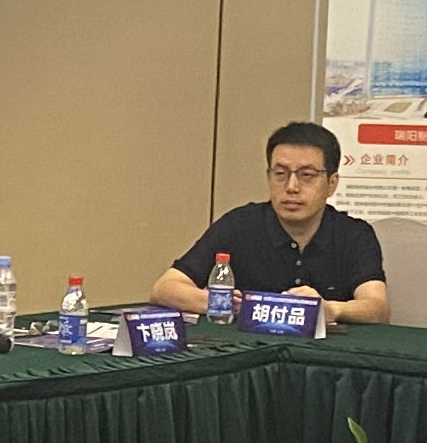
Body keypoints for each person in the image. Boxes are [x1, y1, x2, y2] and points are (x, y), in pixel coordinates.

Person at [150, 122, 390, 325]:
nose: (292, 187)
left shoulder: (354, 234)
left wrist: (331, 310)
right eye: (280, 174)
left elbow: (377, 307)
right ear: (269, 177)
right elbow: (164, 289)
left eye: (306, 175)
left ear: (332, 183)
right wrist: (220, 302)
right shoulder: (239, 225)